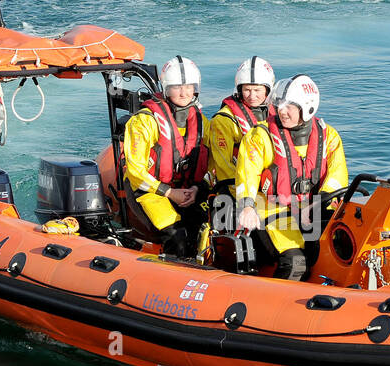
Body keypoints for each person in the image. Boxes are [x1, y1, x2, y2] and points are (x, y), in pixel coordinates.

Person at [234, 74, 348, 280]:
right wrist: (248, 205)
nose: (281, 111)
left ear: (307, 108)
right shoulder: (260, 136)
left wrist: (318, 203)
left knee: (341, 245)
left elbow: (337, 176)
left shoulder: (329, 136)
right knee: (296, 262)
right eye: (279, 105)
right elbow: (247, 175)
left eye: (289, 107)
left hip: (313, 207)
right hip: (272, 208)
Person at [121, 55, 211, 258]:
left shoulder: (201, 121)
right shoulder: (144, 121)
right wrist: (169, 193)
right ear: (166, 88)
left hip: (187, 190)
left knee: (206, 227)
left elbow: (212, 166)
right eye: (178, 87)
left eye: (189, 86)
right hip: (149, 190)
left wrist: (197, 189)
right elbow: (135, 171)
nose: (184, 92)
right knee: (177, 235)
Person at [207, 56, 276, 229]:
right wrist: (250, 195)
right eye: (247, 90)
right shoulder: (224, 120)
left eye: (257, 90)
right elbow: (224, 167)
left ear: (268, 90)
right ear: (239, 89)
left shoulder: (278, 114)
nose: (252, 96)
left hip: (270, 186)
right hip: (235, 188)